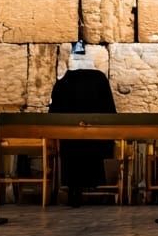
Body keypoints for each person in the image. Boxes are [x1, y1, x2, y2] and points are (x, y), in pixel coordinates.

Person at [49, 41, 117, 207]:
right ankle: (89, 187)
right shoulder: (99, 79)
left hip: (70, 140)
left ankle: (74, 191)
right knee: (90, 160)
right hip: (94, 137)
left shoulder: (63, 82)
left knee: (72, 160)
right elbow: (109, 109)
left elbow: (54, 113)